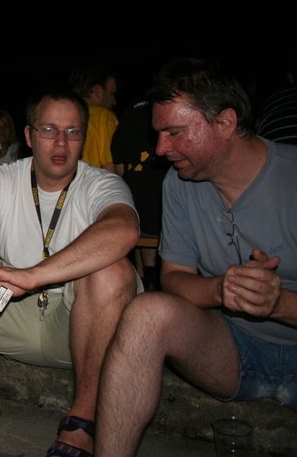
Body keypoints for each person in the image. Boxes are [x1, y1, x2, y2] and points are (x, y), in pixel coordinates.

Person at [0, 90, 140, 457]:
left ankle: (83, 419)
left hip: (79, 322)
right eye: (49, 129)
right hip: (10, 311)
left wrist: (35, 275)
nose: (61, 142)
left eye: (72, 131)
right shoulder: (3, 179)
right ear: (30, 136)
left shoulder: (101, 183)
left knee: (111, 270)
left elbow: (124, 229)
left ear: (83, 137)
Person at [96, 57, 297, 456]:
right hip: (234, 349)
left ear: (225, 122)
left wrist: (278, 303)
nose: (160, 149)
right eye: (159, 134)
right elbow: (174, 278)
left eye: (174, 132)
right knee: (146, 312)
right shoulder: (179, 184)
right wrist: (223, 290)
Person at [111, 99, 169, 290]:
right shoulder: (163, 109)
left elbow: (118, 166)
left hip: (138, 198)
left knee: (139, 224)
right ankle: (148, 279)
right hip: (157, 198)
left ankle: (146, 279)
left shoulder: (129, 113)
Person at [70, 61, 120, 174]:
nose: (114, 101)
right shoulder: (104, 117)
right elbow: (109, 168)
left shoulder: (62, 115)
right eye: (112, 94)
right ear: (97, 91)